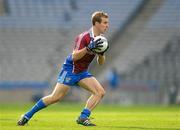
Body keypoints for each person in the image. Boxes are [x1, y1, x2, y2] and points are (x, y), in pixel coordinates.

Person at [17, 11, 109, 126]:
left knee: (100, 92)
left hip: (82, 72)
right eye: (105, 22)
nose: (107, 25)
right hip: (70, 69)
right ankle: (26, 115)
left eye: (107, 23)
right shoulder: (83, 37)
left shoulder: (101, 40)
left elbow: (101, 63)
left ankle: (83, 117)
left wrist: (102, 54)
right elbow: (75, 56)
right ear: (96, 23)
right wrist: (88, 48)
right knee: (55, 98)